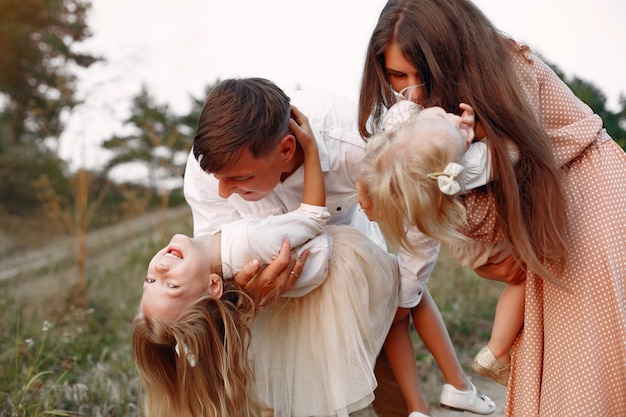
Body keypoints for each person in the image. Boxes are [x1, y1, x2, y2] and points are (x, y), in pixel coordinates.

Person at [357, 0, 626, 416]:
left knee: (584, 374)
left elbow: (510, 158)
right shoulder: (428, 117)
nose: (412, 90)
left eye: (421, 74)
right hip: (542, 221)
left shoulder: (503, 68)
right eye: (397, 76)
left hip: (585, 198)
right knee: (560, 374)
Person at [184, 77, 496, 416]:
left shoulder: (357, 141)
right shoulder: (209, 165)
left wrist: (405, 296)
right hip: (273, 306)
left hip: (352, 270)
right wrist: (246, 289)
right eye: (219, 178)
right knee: (280, 393)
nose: (223, 192)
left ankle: (413, 407)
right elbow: (211, 254)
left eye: (240, 179)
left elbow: (418, 219)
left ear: (287, 149)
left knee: (386, 373)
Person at [132, 117, 400, 417]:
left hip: (337, 271)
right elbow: (311, 218)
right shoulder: (227, 234)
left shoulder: (344, 141)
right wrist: (312, 152)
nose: (160, 270)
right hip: (305, 287)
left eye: (149, 279)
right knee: (291, 385)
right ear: (213, 287)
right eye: (170, 285)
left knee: (369, 362)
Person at [358, 100, 524, 396]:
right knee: (526, 275)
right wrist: (473, 133)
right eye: (448, 119)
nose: (451, 116)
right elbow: (512, 149)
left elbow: (403, 113)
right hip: (485, 243)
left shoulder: (414, 167)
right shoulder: (466, 169)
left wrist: (445, 124)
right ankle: (497, 349)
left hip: (464, 243)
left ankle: (492, 355)